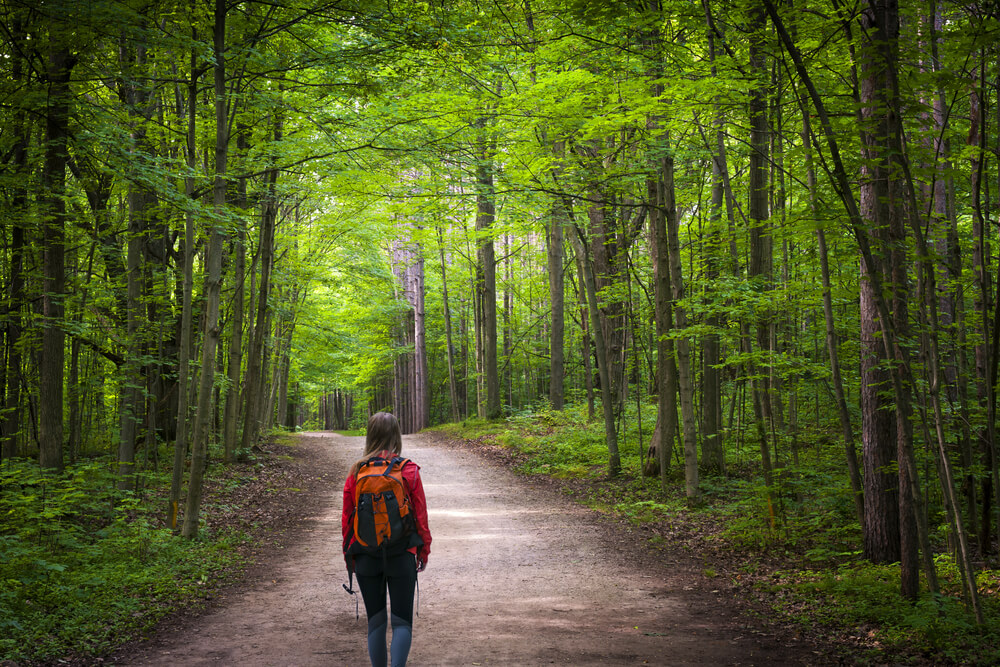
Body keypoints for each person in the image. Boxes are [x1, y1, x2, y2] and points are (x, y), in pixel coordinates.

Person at [342, 412, 431, 667]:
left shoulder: (356, 471)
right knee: (402, 622)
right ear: (396, 435)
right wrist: (423, 550)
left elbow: (347, 519)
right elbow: (421, 516)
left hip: (366, 555)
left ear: (370, 435)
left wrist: (349, 556)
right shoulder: (409, 470)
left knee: (376, 621)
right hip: (402, 553)